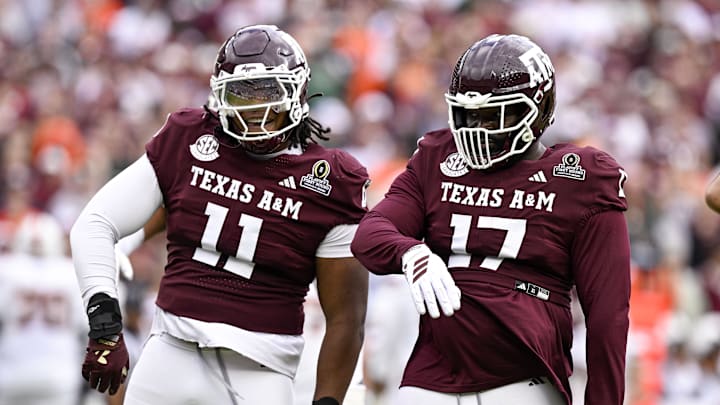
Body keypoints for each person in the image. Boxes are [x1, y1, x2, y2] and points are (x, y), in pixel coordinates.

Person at [71, 24, 369, 405]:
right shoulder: (190, 138)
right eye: (241, 95)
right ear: (219, 96)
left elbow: (346, 317)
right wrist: (106, 328)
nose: (254, 110)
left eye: (267, 93)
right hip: (170, 354)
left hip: (260, 370)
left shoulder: (330, 182)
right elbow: (94, 223)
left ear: (297, 91)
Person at [350, 33, 631, 405]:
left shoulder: (581, 177)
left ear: (539, 108)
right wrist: (411, 254)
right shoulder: (437, 158)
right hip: (432, 377)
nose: (479, 128)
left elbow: (607, 316)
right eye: (469, 114)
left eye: (497, 114)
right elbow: (370, 234)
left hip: (522, 378)